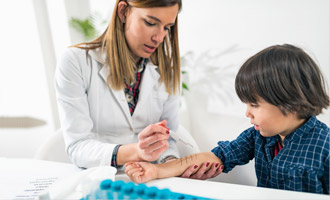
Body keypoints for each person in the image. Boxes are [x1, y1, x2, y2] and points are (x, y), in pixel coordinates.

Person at [125, 44, 330, 194]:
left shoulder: (325, 148)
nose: (247, 113)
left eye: (254, 105)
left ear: (292, 104)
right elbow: (217, 156)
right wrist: (155, 170)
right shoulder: (258, 136)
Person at [55, 0, 184, 169]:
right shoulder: (76, 62)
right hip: (99, 179)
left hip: (150, 179)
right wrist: (136, 152)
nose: (159, 38)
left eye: (167, 28)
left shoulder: (169, 69)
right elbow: (78, 146)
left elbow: (169, 138)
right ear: (123, 11)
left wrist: (171, 163)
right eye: (151, 23)